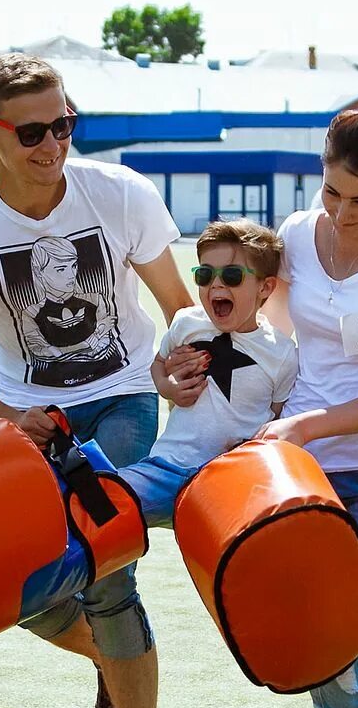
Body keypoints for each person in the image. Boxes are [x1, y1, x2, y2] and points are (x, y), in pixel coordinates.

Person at [0, 53, 193, 708]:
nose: (53, 146)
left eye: (64, 125)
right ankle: (112, 663)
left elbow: (180, 311)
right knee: (19, 585)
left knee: (106, 566)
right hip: (27, 414)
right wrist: (11, 419)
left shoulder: (121, 193)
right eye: (32, 132)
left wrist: (179, 363)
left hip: (126, 393)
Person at [176, 88, 358, 708]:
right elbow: (244, 316)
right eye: (332, 192)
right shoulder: (294, 235)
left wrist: (304, 428)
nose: (343, 214)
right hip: (296, 471)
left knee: (345, 647)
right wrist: (175, 369)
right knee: (317, 647)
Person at [119, 218, 297, 528]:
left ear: (265, 287)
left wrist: (253, 447)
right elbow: (158, 364)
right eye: (205, 275)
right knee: (106, 501)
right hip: (167, 465)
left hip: (232, 478)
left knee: (237, 558)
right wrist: (167, 388)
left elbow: (278, 418)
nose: (216, 285)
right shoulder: (187, 323)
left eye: (232, 275)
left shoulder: (281, 354)